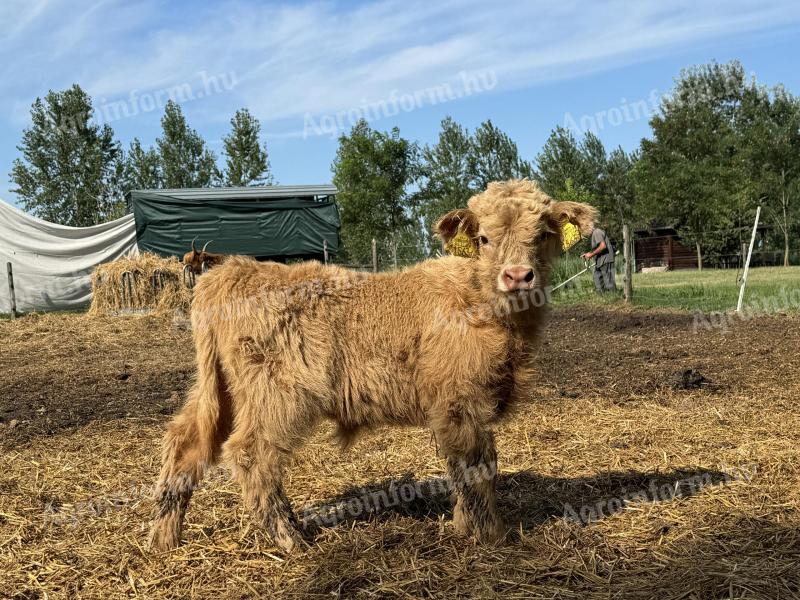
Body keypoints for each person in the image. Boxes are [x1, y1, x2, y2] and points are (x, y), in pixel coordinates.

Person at [581, 226, 617, 293]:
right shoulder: (594, 234)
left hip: (606, 260)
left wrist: (591, 255)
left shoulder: (597, 232)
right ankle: (601, 298)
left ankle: (615, 299)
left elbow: (602, 246)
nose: (584, 233)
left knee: (609, 284)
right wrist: (588, 254)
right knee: (597, 280)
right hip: (600, 261)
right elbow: (597, 248)